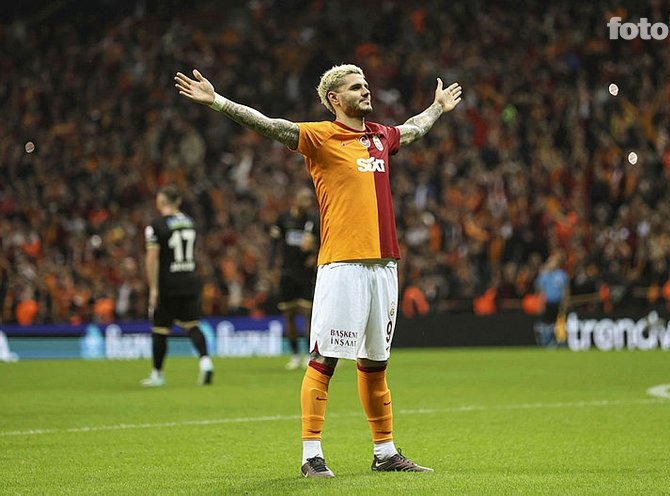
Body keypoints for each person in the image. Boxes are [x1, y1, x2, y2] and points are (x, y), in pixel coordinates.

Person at [175, 63, 462, 477]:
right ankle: (311, 455)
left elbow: (414, 128)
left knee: (375, 363)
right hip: (342, 265)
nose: (366, 91)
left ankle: (385, 452)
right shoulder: (321, 136)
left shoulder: (381, 136)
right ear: (334, 99)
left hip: (385, 266)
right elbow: (270, 125)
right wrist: (218, 101)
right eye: (356, 87)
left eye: (366, 85)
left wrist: (437, 107)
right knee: (325, 360)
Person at [141, 185, 214, 387]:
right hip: (190, 279)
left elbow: (152, 258)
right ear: (178, 201)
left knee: (160, 329)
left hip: (168, 283)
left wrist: (153, 288)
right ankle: (205, 361)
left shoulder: (156, 225)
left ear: (162, 201)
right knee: (192, 325)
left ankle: (157, 374)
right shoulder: (190, 223)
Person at [270, 187, 319, 370]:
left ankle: (309, 354)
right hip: (287, 273)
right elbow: (274, 244)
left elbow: (323, 244)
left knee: (307, 314)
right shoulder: (283, 219)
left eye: (309, 199)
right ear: (295, 200)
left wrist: (314, 255)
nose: (307, 202)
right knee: (289, 314)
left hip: (305, 274)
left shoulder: (313, 221)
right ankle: (295, 355)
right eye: (304, 198)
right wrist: (271, 267)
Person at [534, 251, 570, 347]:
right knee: (546, 323)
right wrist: (540, 303)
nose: (552, 263)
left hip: (558, 302)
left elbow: (566, 291)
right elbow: (540, 290)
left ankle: (561, 342)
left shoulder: (562, 275)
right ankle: (547, 342)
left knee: (560, 322)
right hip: (547, 303)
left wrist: (565, 302)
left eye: (553, 261)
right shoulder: (544, 275)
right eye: (550, 261)